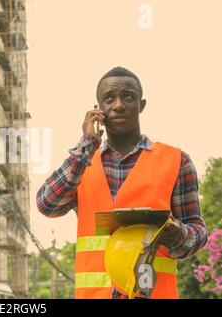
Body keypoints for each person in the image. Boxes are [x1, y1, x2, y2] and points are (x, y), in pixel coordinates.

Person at [36, 66, 208, 299]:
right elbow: (47, 205)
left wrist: (178, 234)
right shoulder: (81, 163)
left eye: (128, 97)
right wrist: (86, 145)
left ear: (141, 105)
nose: (118, 105)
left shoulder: (176, 161)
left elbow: (197, 233)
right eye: (109, 98)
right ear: (98, 109)